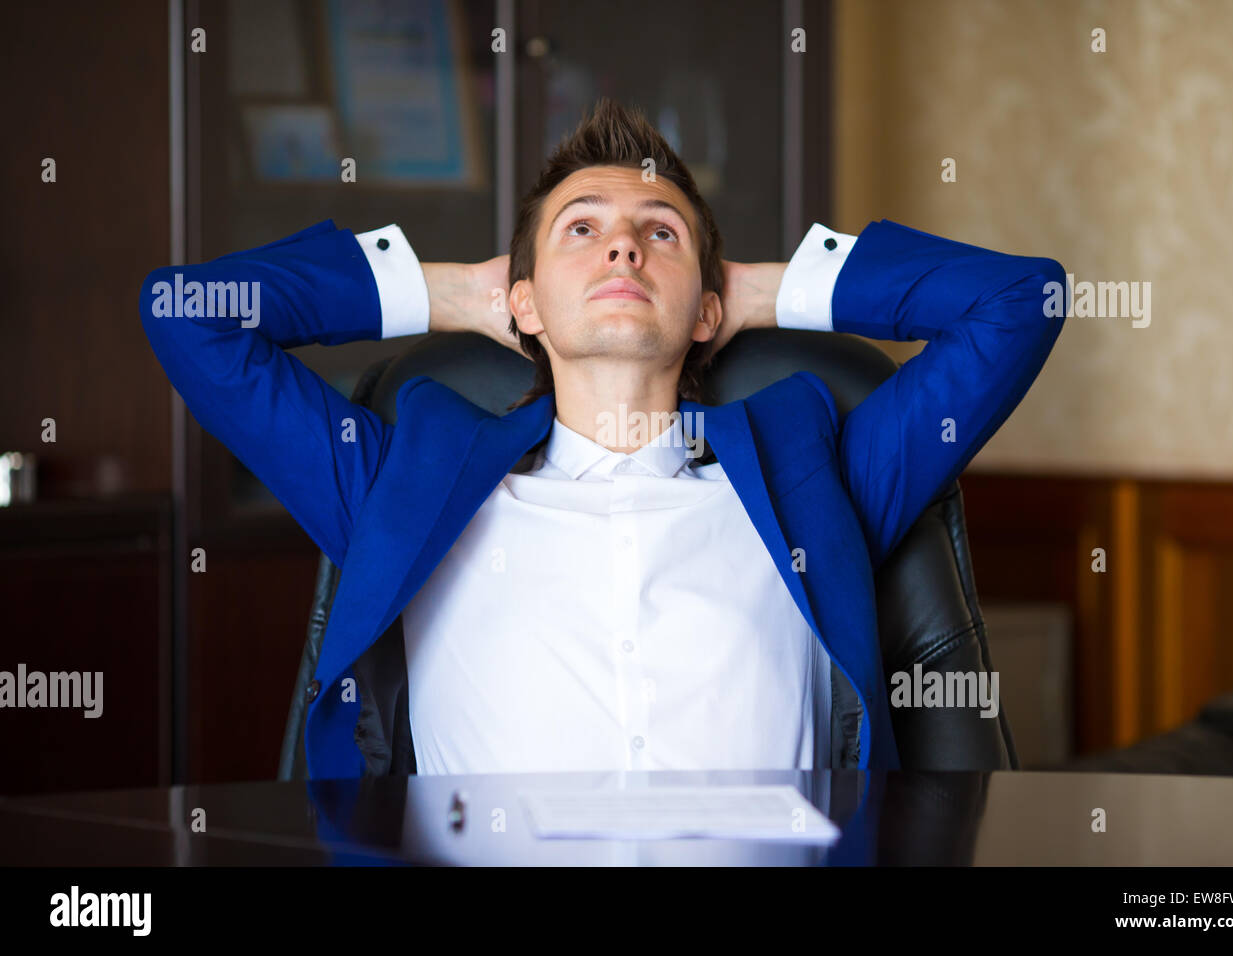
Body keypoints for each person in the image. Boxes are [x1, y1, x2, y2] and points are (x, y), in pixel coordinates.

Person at [139, 98, 1066, 779]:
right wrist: (459, 291)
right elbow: (188, 315)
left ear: (708, 308)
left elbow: (1021, 302)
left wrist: (757, 290)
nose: (623, 247)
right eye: (581, 230)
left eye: (659, 233)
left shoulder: (819, 474)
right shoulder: (398, 480)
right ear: (524, 298)